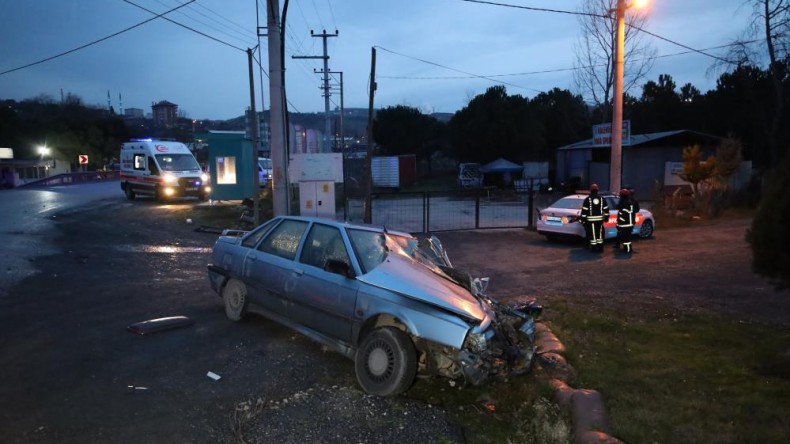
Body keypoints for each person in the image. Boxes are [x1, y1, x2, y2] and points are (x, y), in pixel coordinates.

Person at [580, 183, 608, 252]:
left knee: (593, 235)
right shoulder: (602, 199)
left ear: (591, 190)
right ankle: (600, 248)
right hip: (600, 221)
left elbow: (584, 211)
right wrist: (606, 218)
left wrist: (583, 220)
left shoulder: (588, 199)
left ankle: (594, 248)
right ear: (597, 190)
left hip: (590, 221)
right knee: (600, 234)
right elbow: (606, 209)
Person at [616, 188, 637, 253]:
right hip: (628, 223)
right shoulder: (628, 202)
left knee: (626, 238)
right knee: (626, 237)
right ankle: (626, 248)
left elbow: (622, 213)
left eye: (620, 195)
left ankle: (628, 249)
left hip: (625, 223)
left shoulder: (625, 203)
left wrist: (620, 222)